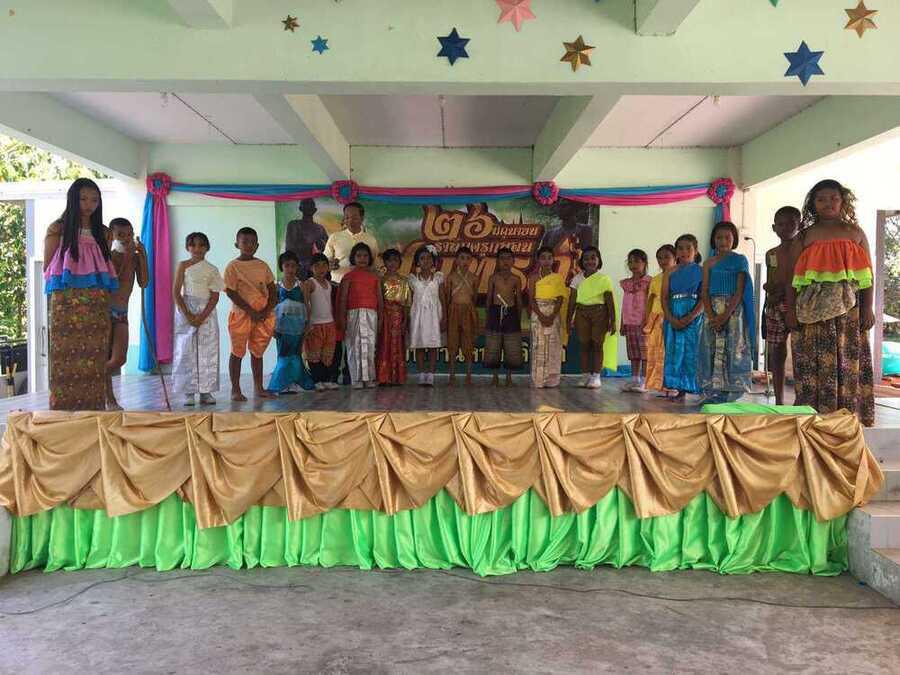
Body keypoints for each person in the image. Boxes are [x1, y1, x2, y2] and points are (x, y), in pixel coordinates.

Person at [786, 179, 875, 426]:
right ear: (813, 204)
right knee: (812, 364)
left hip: (849, 314)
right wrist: (790, 311)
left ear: (843, 201)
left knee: (847, 361)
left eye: (834, 198)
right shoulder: (805, 236)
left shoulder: (856, 233)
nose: (828, 203)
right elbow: (791, 279)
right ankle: (812, 420)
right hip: (811, 313)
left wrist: (868, 308)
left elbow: (867, 275)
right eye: (821, 199)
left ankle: (845, 420)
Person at [43, 178, 118, 410]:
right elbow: (48, 267)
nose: (89, 204)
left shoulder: (104, 233)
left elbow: (105, 267)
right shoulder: (57, 229)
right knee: (63, 352)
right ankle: (62, 408)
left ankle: (94, 406)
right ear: (73, 199)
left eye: (94, 200)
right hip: (65, 300)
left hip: (97, 301)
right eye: (83, 199)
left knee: (95, 352)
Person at [698, 222, 755, 403]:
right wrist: (712, 316)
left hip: (733, 311)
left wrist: (724, 316)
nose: (723, 241)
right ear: (713, 240)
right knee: (710, 349)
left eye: (727, 237)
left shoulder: (740, 260)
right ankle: (711, 390)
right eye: (719, 237)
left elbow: (739, 291)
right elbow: (704, 291)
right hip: (711, 310)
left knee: (734, 349)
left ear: (734, 240)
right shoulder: (708, 263)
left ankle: (732, 392)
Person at [224, 227, 277, 401]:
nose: (249, 245)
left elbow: (272, 290)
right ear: (236, 244)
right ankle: (235, 389)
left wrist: (266, 310)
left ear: (257, 245)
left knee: (257, 351)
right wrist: (250, 311)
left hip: (262, 315)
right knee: (237, 352)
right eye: (245, 242)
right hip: (241, 316)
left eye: (252, 242)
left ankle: (259, 387)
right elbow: (231, 292)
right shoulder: (233, 267)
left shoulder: (262, 266)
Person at [172, 232, 225, 405]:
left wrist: (202, 316)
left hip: (206, 313)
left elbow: (215, 296)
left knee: (207, 350)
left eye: (202, 245)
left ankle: (206, 391)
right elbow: (176, 292)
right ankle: (188, 391)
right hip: (186, 310)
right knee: (186, 351)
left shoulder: (212, 269)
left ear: (207, 247)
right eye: (193, 245)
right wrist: (188, 315)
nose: (197, 248)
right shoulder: (183, 266)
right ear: (188, 247)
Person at [105, 217, 149, 410]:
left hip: (122, 312)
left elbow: (144, 282)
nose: (126, 238)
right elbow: (113, 281)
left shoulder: (134, 256)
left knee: (119, 359)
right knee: (106, 356)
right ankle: (109, 399)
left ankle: (92, 376)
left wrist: (143, 256)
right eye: (120, 235)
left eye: (129, 234)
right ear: (112, 236)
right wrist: (127, 257)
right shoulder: (109, 256)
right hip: (105, 311)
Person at [763, 206, 801, 405]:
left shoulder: (804, 250)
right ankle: (779, 400)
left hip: (798, 305)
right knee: (776, 352)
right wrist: (770, 288)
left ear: (800, 224)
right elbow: (771, 278)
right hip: (775, 306)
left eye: (791, 223)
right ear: (774, 227)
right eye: (781, 224)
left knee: (800, 352)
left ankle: (800, 398)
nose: (786, 228)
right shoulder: (771, 253)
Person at [662, 234, 704, 401]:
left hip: (694, 315)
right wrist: (670, 317)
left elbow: (703, 297)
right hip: (673, 313)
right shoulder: (670, 272)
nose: (684, 252)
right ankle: (678, 388)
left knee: (692, 351)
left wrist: (690, 317)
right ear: (676, 251)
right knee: (675, 350)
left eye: (688, 248)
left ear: (696, 251)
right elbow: (664, 297)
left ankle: (695, 386)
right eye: (680, 248)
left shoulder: (701, 271)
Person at [568, 246, 615, 389]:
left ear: (599, 260)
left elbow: (609, 300)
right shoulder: (577, 279)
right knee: (584, 345)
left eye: (593, 258)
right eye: (586, 258)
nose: (590, 261)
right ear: (582, 261)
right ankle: (585, 375)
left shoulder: (604, 279)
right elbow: (572, 300)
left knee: (597, 344)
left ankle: (596, 377)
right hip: (582, 313)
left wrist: (612, 320)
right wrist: (568, 319)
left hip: (600, 314)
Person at [267, 251, 314, 395]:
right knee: (283, 354)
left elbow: (307, 305)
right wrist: (271, 327)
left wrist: (308, 323)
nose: (290, 269)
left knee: (296, 353)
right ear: (281, 267)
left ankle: (295, 382)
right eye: (287, 266)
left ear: (297, 267)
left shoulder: (302, 285)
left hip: (298, 326)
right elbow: (272, 307)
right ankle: (282, 384)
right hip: (281, 327)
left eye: (293, 266)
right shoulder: (276, 286)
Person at [338, 242, 382, 389]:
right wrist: (342, 318)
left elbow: (379, 299)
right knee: (353, 346)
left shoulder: (375, 277)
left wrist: (380, 318)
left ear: (370, 258)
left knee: (370, 346)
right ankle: (356, 379)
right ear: (353, 258)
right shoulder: (348, 277)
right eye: (359, 256)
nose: (362, 259)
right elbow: (343, 299)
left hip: (371, 315)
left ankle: (369, 378)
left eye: (365, 256)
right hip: (353, 314)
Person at [528, 246, 568, 389]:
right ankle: (539, 379)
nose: (546, 261)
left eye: (549, 258)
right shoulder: (533, 278)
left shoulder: (557, 278)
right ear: (538, 260)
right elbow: (531, 299)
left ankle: (552, 380)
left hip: (553, 315)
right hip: (538, 314)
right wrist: (541, 316)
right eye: (543, 257)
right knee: (538, 345)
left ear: (553, 260)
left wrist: (551, 316)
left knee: (553, 346)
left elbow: (560, 299)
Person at [485, 247, 524, 386]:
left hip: (511, 313)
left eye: (508, 258)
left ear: (513, 261)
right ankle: (495, 377)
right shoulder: (493, 278)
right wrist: (488, 317)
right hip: (495, 312)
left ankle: (509, 377)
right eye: (502, 258)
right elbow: (489, 298)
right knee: (493, 346)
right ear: (497, 261)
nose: (505, 261)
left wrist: (518, 317)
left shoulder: (516, 279)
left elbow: (519, 300)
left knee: (511, 346)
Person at [408, 245, 445, 386]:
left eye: (429, 258)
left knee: (433, 345)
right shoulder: (412, 279)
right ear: (417, 262)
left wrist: (445, 317)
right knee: (420, 345)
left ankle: (431, 374)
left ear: (433, 261)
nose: (426, 261)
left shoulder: (438, 278)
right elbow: (410, 299)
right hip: (418, 316)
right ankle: (421, 373)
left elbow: (442, 298)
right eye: (422, 258)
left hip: (434, 316)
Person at [643, 244, 677, 396]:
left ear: (675, 258)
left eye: (666, 257)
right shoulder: (655, 279)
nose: (663, 261)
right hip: (656, 319)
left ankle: (672, 384)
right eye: (659, 258)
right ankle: (659, 384)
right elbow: (650, 300)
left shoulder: (678, 276)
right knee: (655, 352)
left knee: (669, 352)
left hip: (672, 318)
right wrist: (647, 319)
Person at [443, 246, 479, 386]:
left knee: (468, 343)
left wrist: (469, 309)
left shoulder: (474, 278)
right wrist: (447, 315)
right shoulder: (450, 277)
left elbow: (474, 298)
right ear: (456, 260)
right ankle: (451, 375)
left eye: (468, 259)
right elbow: (447, 298)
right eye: (462, 258)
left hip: (468, 310)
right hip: (453, 310)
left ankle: (468, 375)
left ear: (471, 261)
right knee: (452, 342)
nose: (465, 261)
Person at [303, 253, 340, 392]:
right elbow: (305, 303)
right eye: (317, 266)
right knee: (314, 354)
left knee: (327, 354)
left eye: (324, 265)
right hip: (315, 324)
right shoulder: (309, 283)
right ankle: (317, 380)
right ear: (311, 268)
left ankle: (326, 380)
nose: (321, 268)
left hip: (329, 323)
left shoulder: (329, 284)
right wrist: (307, 323)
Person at [377, 248, 411, 386]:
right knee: (384, 345)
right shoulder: (380, 280)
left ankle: (397, 377)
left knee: (398, 346)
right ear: (385, 262)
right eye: (389, 260)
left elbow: (407, 304)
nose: (392, 263)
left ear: (400, 263)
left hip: (398, 317)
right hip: (385, 317)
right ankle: (384, 377)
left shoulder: (404, 281)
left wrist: (405, 321)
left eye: (395, 260)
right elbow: (378, 301)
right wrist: (380, 319)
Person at [323, 201, 380, 284]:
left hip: (362, 284)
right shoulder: (334, 237)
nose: (350, 221)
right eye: (347, 217)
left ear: (362, 218)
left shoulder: (371, 240)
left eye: (354, 218)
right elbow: (325, 261)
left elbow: (375, 265)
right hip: (338, 282)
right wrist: (330, 265)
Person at [620, 249, 651, 393]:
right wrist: (622, 322)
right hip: (629, 321)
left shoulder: (648, 281)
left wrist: (648, 320)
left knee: (645, 353)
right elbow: (625, 303)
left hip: (643, 321)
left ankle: (645, 381)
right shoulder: (626, 283)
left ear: (644, 263)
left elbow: (650, 302)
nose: (633, 264)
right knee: (633, 352)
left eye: (637, 261)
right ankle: (635, 379)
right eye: (630, 261)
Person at [284, 198, 328, 279]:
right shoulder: (294, 225)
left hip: (315, 270)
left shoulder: (320, 228)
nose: (308, 208)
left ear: (315, 210)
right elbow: (289, 249)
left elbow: (326, 250)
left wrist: (319, 245)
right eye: (306, 206)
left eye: (310, 206)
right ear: (301, 208)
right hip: (298, 268)